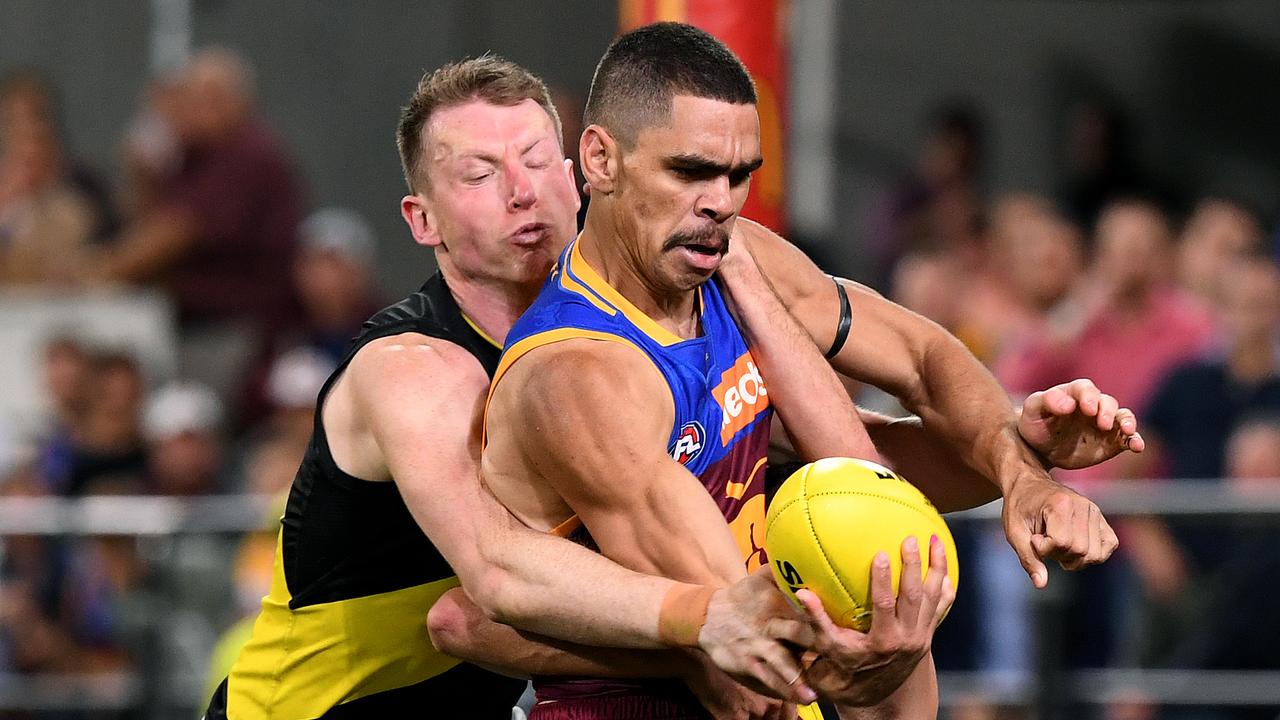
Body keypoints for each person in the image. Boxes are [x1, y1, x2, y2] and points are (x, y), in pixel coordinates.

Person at [206, 53, 1139, 719]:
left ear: (584, 168)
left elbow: (888, 424)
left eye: (538, 158)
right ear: (422, 219)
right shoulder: (423, 372)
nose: (524, 191)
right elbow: (479, 597)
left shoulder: (701, 269)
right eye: (482, 175)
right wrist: (716, 630)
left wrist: (1020, 459)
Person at [477, 23, 1126, 719]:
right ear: (600, 160)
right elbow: (748, 645)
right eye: (690, 171)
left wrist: (1024, 467)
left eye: (738, 175)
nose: (721, 202)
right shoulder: (579, 376)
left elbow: (920, 362)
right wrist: (883, 663)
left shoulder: (730, 255)